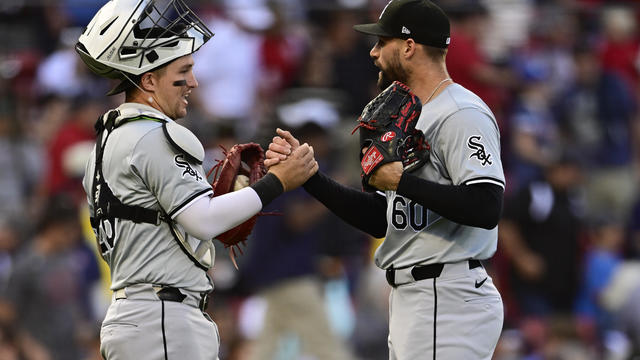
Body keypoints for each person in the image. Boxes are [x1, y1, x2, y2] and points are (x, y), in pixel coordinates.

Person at [75, 1, 318, 359]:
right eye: (184, 70)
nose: (194, 81)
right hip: (163, 318)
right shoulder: (155, 135)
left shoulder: (105, 141)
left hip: (131, 315)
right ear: (149, 80)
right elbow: (203, 220)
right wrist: (278, 182)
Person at [266, 0, 504, 358]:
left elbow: (487, 206)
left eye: (382, 42)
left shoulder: (461, 113)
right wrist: (311, 178)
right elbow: (380, 218)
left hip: (447, 293)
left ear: (409, 47)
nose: (374, 52)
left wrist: (402, 182)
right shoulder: (405, 114)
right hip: (416, 295)